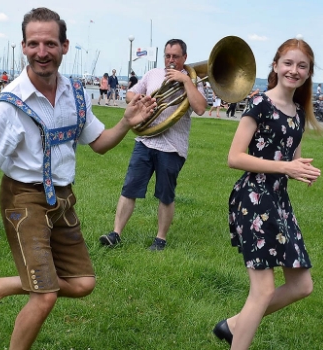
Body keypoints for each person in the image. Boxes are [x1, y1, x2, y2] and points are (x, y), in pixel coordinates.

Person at [0, 7, 156, 349]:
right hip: (23, 199)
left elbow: (100, 144)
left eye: (50, 43)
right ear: (23, 46)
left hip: (62, 198)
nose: (42, 52)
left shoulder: (75, 94)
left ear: (64, 45)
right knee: (45, 295)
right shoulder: (10, 104)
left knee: (82, 282)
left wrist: (126, 122)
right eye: (33, 43)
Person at [212, 38, 321, 350]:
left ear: (309, 72)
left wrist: (300, 169)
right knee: (262, 290)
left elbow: (292, 158)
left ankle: (234, 325)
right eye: (288, 63)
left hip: (279, 201)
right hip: (253, 198)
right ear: (275, 66)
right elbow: (235, 157)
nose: (294, 70)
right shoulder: (260, 104)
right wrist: (286, 167)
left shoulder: (299, 112)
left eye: (302, 65)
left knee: (302, 285)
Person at [99, 38, 207, 251]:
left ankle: (160, 239)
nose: (171, 60)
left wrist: (186, 81)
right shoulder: (153, 74)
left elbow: (201, 108)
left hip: (172, 147)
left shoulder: (195, 81)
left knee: (165, 194)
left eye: (175, 56)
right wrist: (142, 99)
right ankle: (116, 233)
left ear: (185, 58)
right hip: (145, 141)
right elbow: (130, 94)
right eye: (167, 56)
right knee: (129, 188)